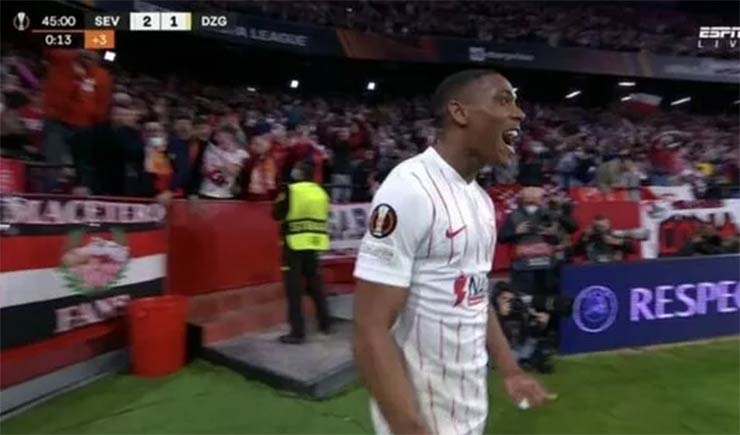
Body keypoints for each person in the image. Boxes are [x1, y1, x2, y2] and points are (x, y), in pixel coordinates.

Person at [353, 69, 554, 435]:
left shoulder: (481, 201)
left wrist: (510, 369)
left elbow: (475, 295)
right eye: (503, 100)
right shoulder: (409, 189)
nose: (519, 113)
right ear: (459, 112)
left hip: (470, 416)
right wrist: (408, 427)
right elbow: (369, 328)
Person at [272, 160, 333, 344]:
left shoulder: (291, 190)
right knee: (315, 284)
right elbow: (326, 214)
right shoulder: (321, 192)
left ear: (299, 173)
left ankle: (297, 332)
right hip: (315, 242)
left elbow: (277, 214)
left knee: (294, 289)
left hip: (294, 243)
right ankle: (325, 322)